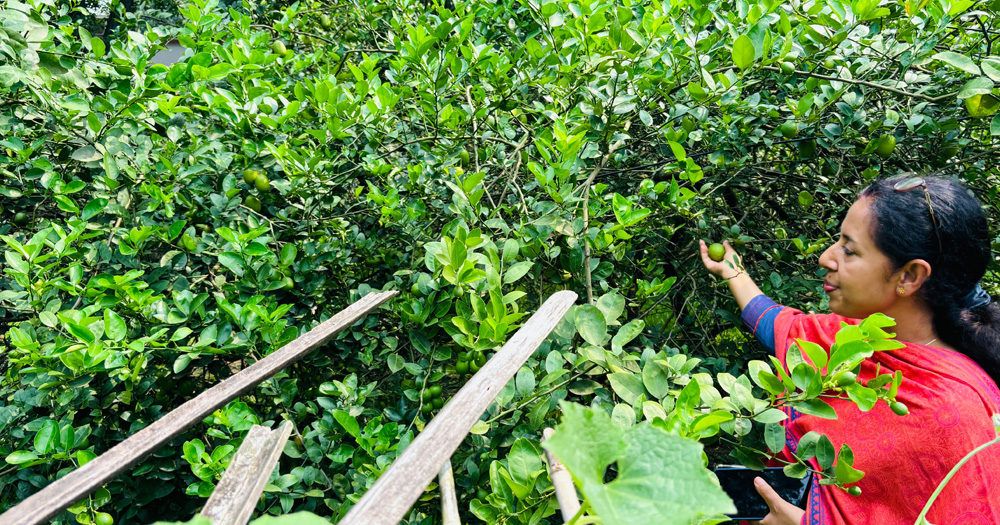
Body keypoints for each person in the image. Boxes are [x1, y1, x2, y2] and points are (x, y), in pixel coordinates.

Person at [700, 174, 1000, 525]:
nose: (826, 258)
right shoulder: (850, 340)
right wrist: (732, 271)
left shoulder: (961, 417)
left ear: (909, 276)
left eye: (849, 249)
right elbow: (776, 323)